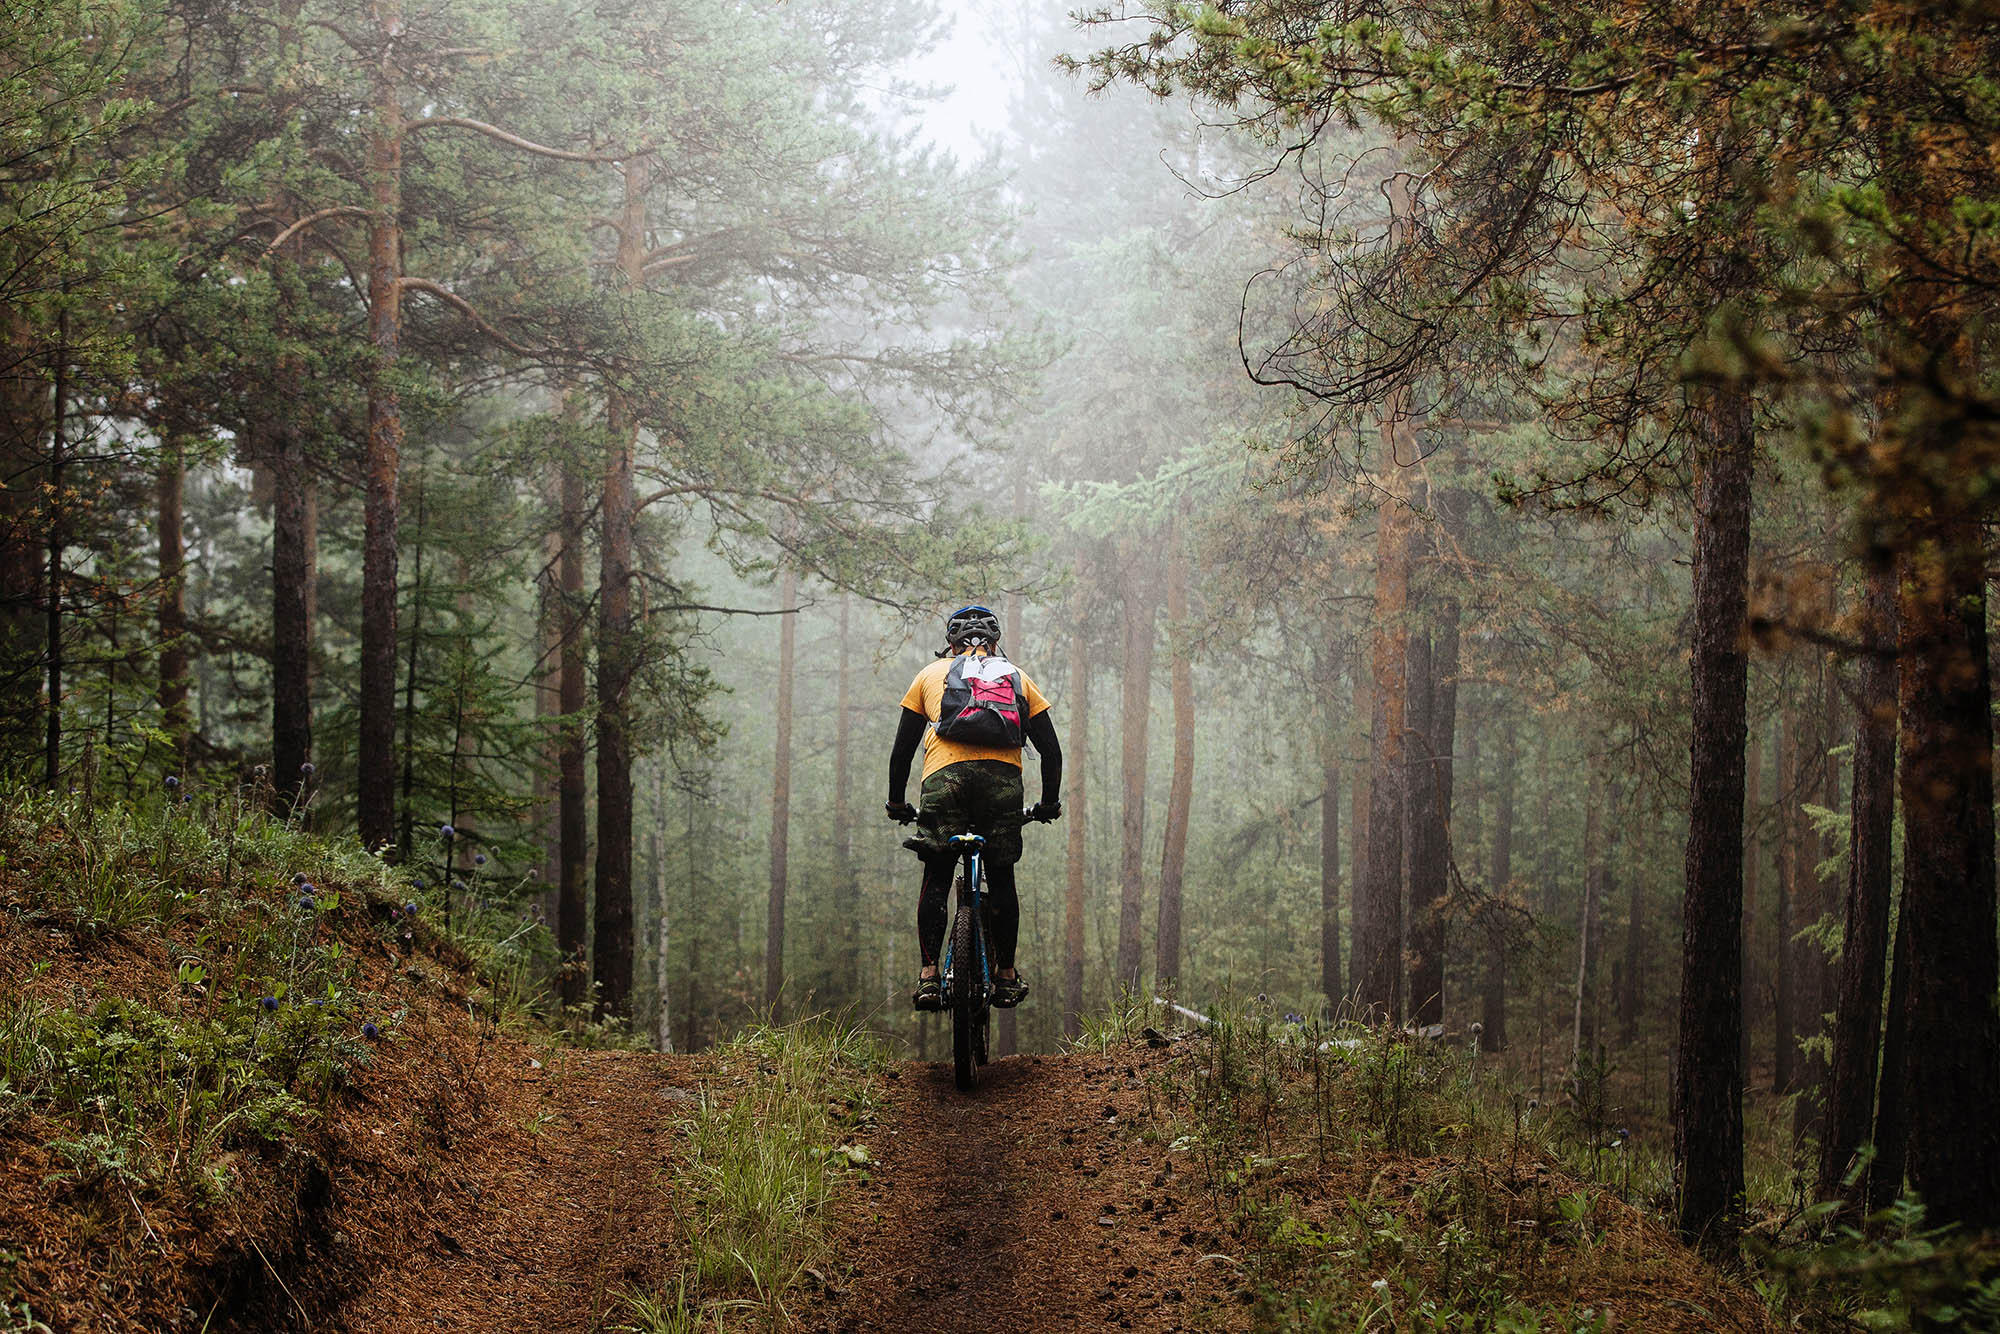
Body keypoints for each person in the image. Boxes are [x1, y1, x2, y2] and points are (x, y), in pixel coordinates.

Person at [886, 604, 1061, 1011]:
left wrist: (897, 802)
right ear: (995, 642)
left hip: (945, 780)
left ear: (950, 644)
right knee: (1001, 873)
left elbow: (902, 751)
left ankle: (930, 976)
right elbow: (1051, 752)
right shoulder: (1016, 676)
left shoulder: (930, 675)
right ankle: (1005, 976)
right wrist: (1048, 803)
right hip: (1002, 782)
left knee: (938, 869)